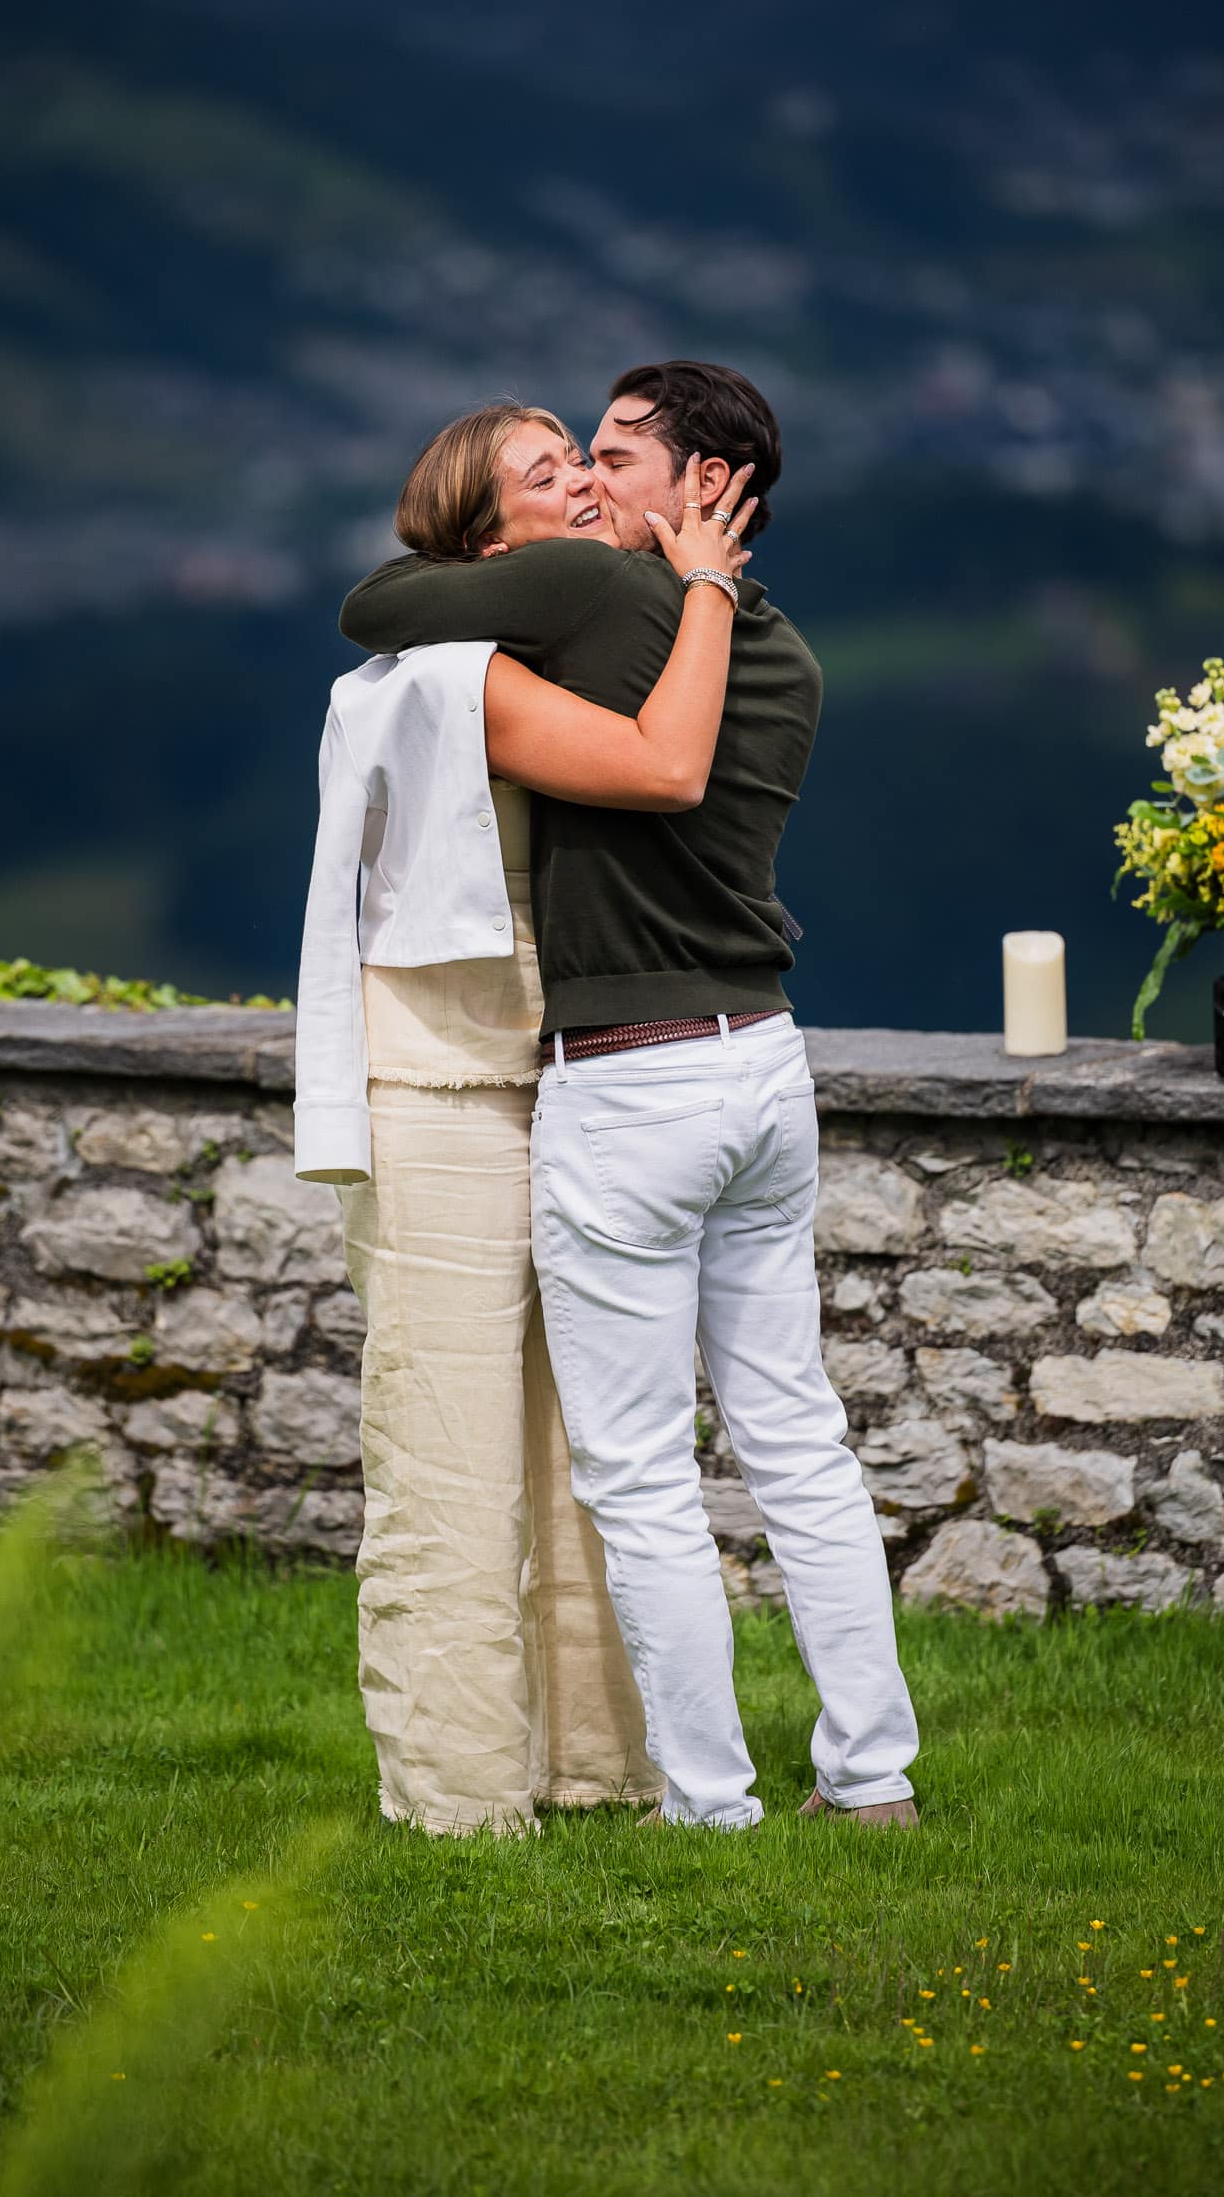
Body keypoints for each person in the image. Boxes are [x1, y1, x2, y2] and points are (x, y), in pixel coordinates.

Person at [339, 361, 920, 1832]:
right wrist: (708, 583)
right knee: (798, 1440)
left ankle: (710, 1804)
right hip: (766, 1064)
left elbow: (379, 605)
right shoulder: (791, 657)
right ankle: (872, 1777)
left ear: (706, 484)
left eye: (614, 455)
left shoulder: (597, 597)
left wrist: (599, 561)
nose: (592, 483)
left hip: (631, 1078)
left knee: (644, 1472)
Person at [294, 399, 760, 1836]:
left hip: (563, 1076)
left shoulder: (554, 643)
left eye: (583, 461)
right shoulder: (466, 678)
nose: (583, 486)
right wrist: (706, 588)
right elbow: (660, 771)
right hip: (444, 1085)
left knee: (582, 1448)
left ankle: (595, 1765)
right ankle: (459, 1794)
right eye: (548, 475)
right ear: (492, 545)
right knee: (447, 1449)